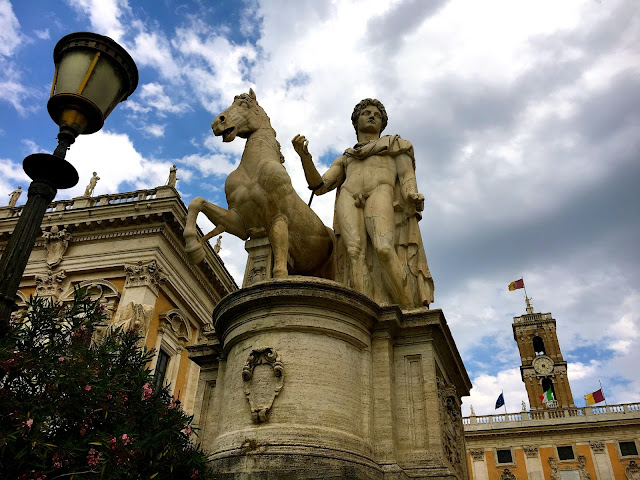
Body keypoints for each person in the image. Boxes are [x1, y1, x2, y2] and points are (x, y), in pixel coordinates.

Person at [293, 98, 433, 309]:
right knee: (354, 253)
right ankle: (364, 313)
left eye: (376, 115)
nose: (371, 116)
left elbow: (406, 177)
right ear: (356, 121)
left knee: (384, 249)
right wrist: (305, 158)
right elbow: (320, 186)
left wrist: (412, 194)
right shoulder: (347, 158)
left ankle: (408, 307)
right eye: (366, 113)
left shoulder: (395, 145)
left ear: (382, 123)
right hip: (349, 195)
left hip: (380, 191)